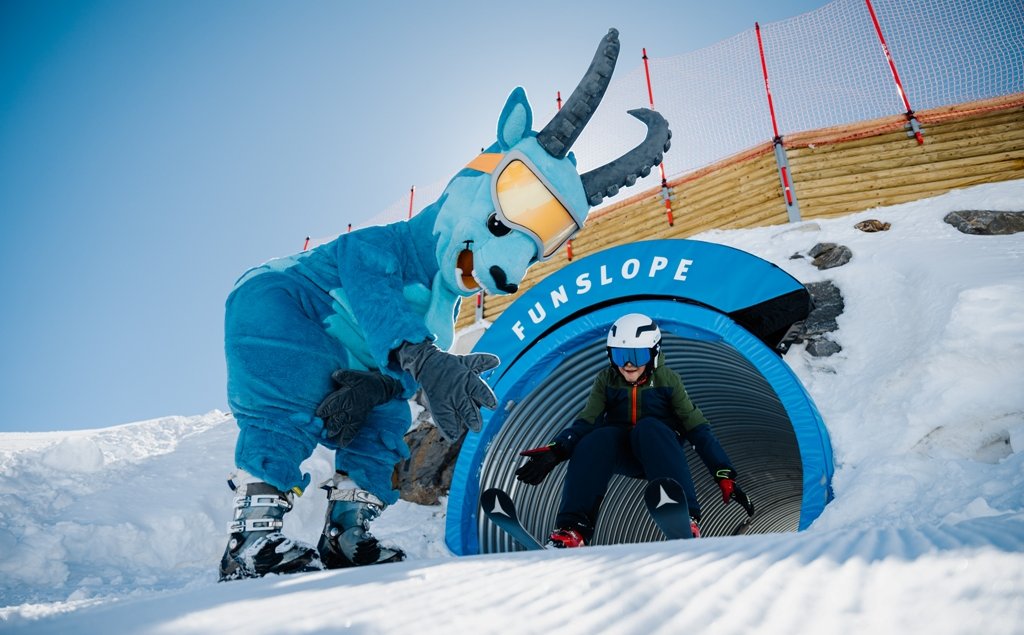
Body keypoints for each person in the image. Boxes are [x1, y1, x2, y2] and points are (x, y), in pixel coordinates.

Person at [217, 28, 673, 580]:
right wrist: (420, 360)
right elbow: (370, 289)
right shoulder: (383, 246)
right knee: (290, 393)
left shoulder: (440, 316)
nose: (509, 270)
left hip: (356, 357)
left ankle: (346, 532)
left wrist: (394, 382)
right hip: (285, 302)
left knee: (386, 419)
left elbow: (406, 357)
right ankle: (252, 542)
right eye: (515, 208)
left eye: (545, 236)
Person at [515, 313, 749, 547]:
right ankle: (572, 531)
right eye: (620, 355)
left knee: (648, 428)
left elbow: (696, 426)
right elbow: (587, 420)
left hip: (659, 450)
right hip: (624, 452)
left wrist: (723, 472)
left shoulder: (668, 380)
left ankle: (684, 518)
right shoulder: (606, 380)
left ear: (653, 354)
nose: (628, 364)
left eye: (636, 356)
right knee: (596, 438)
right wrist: (557, 451)